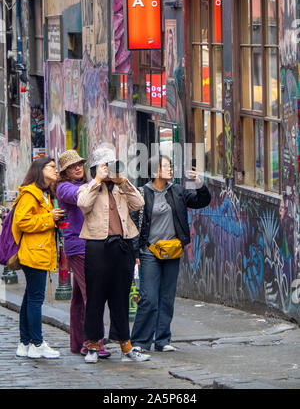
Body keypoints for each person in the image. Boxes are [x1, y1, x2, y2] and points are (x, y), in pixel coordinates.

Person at [77, 146, 150, 364]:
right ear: (95, 169)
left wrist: (124, 182)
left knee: (120, 298)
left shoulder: (121, 188)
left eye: (112, 165)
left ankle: (126, 346)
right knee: (96, 297)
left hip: (123, 246)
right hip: (97, 247)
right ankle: (92, 345)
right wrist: (97, 181)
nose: (110, 170)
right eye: (105, 166)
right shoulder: (87, 188)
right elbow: (83, 205)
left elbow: (139, 203)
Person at [131, 154, 211, 352]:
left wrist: (199, 183)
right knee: (148, 297)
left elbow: (201, 201)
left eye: (170, 165)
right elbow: (133, 225)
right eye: (166, 166)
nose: (170, 169)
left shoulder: (178, 191)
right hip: (149, 251)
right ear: (155, 171)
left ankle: (163, 340)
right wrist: (136, 253)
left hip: (173, 250)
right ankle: (140, 342)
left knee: (167, 297)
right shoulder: (142, 193)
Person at [56, 150, 110, 358]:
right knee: (92, 295)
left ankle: (78, 341)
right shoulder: (64, 188)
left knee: (79, 297)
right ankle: (93, 343)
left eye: (79, 164)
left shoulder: (86, 185)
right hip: (79, 246)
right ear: (64, 172)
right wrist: (98, 180)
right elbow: (78, 197)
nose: (77, 168)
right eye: (72, 166)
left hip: (91, 244)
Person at [12, 156, 65, 359]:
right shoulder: (30, 193)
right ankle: (36, 342)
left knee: (29, 298)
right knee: (36, 299)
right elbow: (22, 221)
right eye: (51, 167)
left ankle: (24, 343)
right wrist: (49, 218)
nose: (55, 171)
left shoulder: (44, 194)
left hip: (40, 250)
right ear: (39, 170)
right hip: (34, 252)